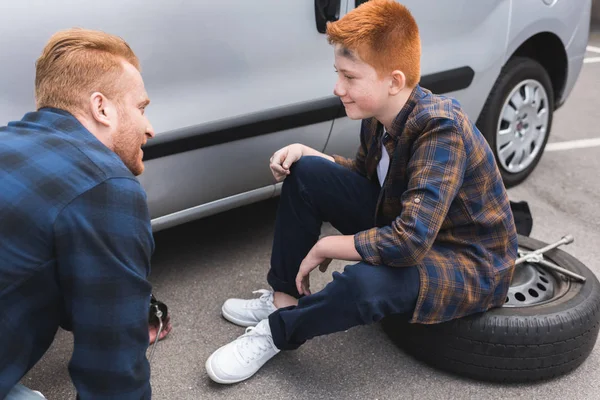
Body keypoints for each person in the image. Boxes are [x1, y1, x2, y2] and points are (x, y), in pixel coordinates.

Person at [205, 0, 518, 384]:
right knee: (305, 172)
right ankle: (282, 300)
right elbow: (369, 179)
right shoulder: (379, 115)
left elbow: (409, 243)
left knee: (363, 282)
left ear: (394, 81)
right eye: (338, 73)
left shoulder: (441, 129)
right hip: (415, 229)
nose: (338, 88)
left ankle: (278, 331)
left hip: (467, 259)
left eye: (350, 77)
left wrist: (326, 247)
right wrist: (311, 156)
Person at [0, 28, 171, 399]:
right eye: (141, 108)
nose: (149, 128)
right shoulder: (104, 185)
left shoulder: (7, 140)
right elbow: (112, 375)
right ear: (102, 108)